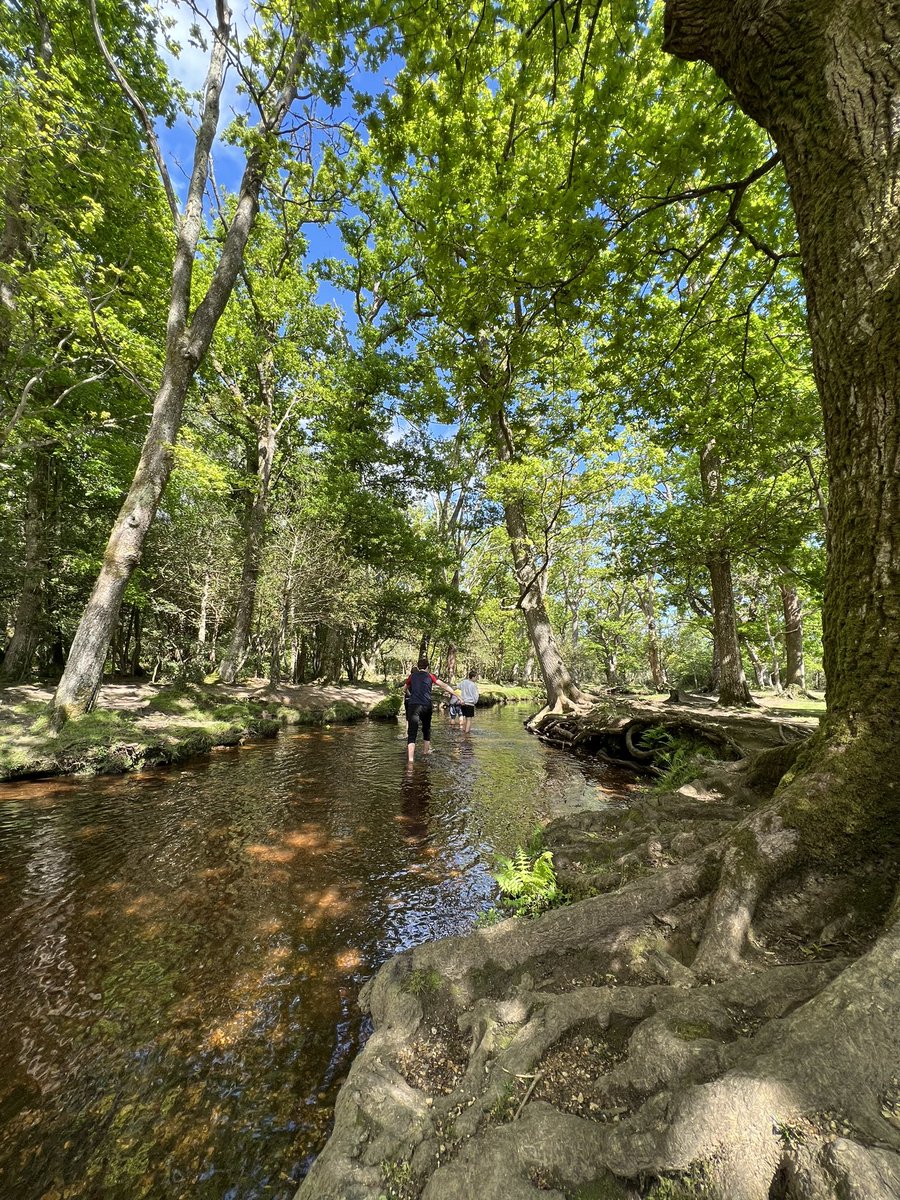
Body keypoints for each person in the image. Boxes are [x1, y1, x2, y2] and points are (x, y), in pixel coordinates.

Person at [403, 656, 460, 762]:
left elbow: (404, 688)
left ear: (418, 667)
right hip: (426, 705)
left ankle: (410, 760)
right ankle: (425, 752)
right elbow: (444, 686)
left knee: (412, 733)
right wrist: (456, 695)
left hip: (413, 705)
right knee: (426, 729)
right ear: (427, 667)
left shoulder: (412, 676)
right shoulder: (430, 676)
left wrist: (411, 694)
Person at [458, 669, 479, 733]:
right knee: (469, 719)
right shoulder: (473, 685)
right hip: (470, 703)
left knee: (465, 718)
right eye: (476, 677)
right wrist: (475, 702)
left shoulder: (463, 682)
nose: (477, 678)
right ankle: (467, 733)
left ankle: (464, 731)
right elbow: (476, 695)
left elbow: (457, 686)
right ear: (473, 677)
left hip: (463, 703)